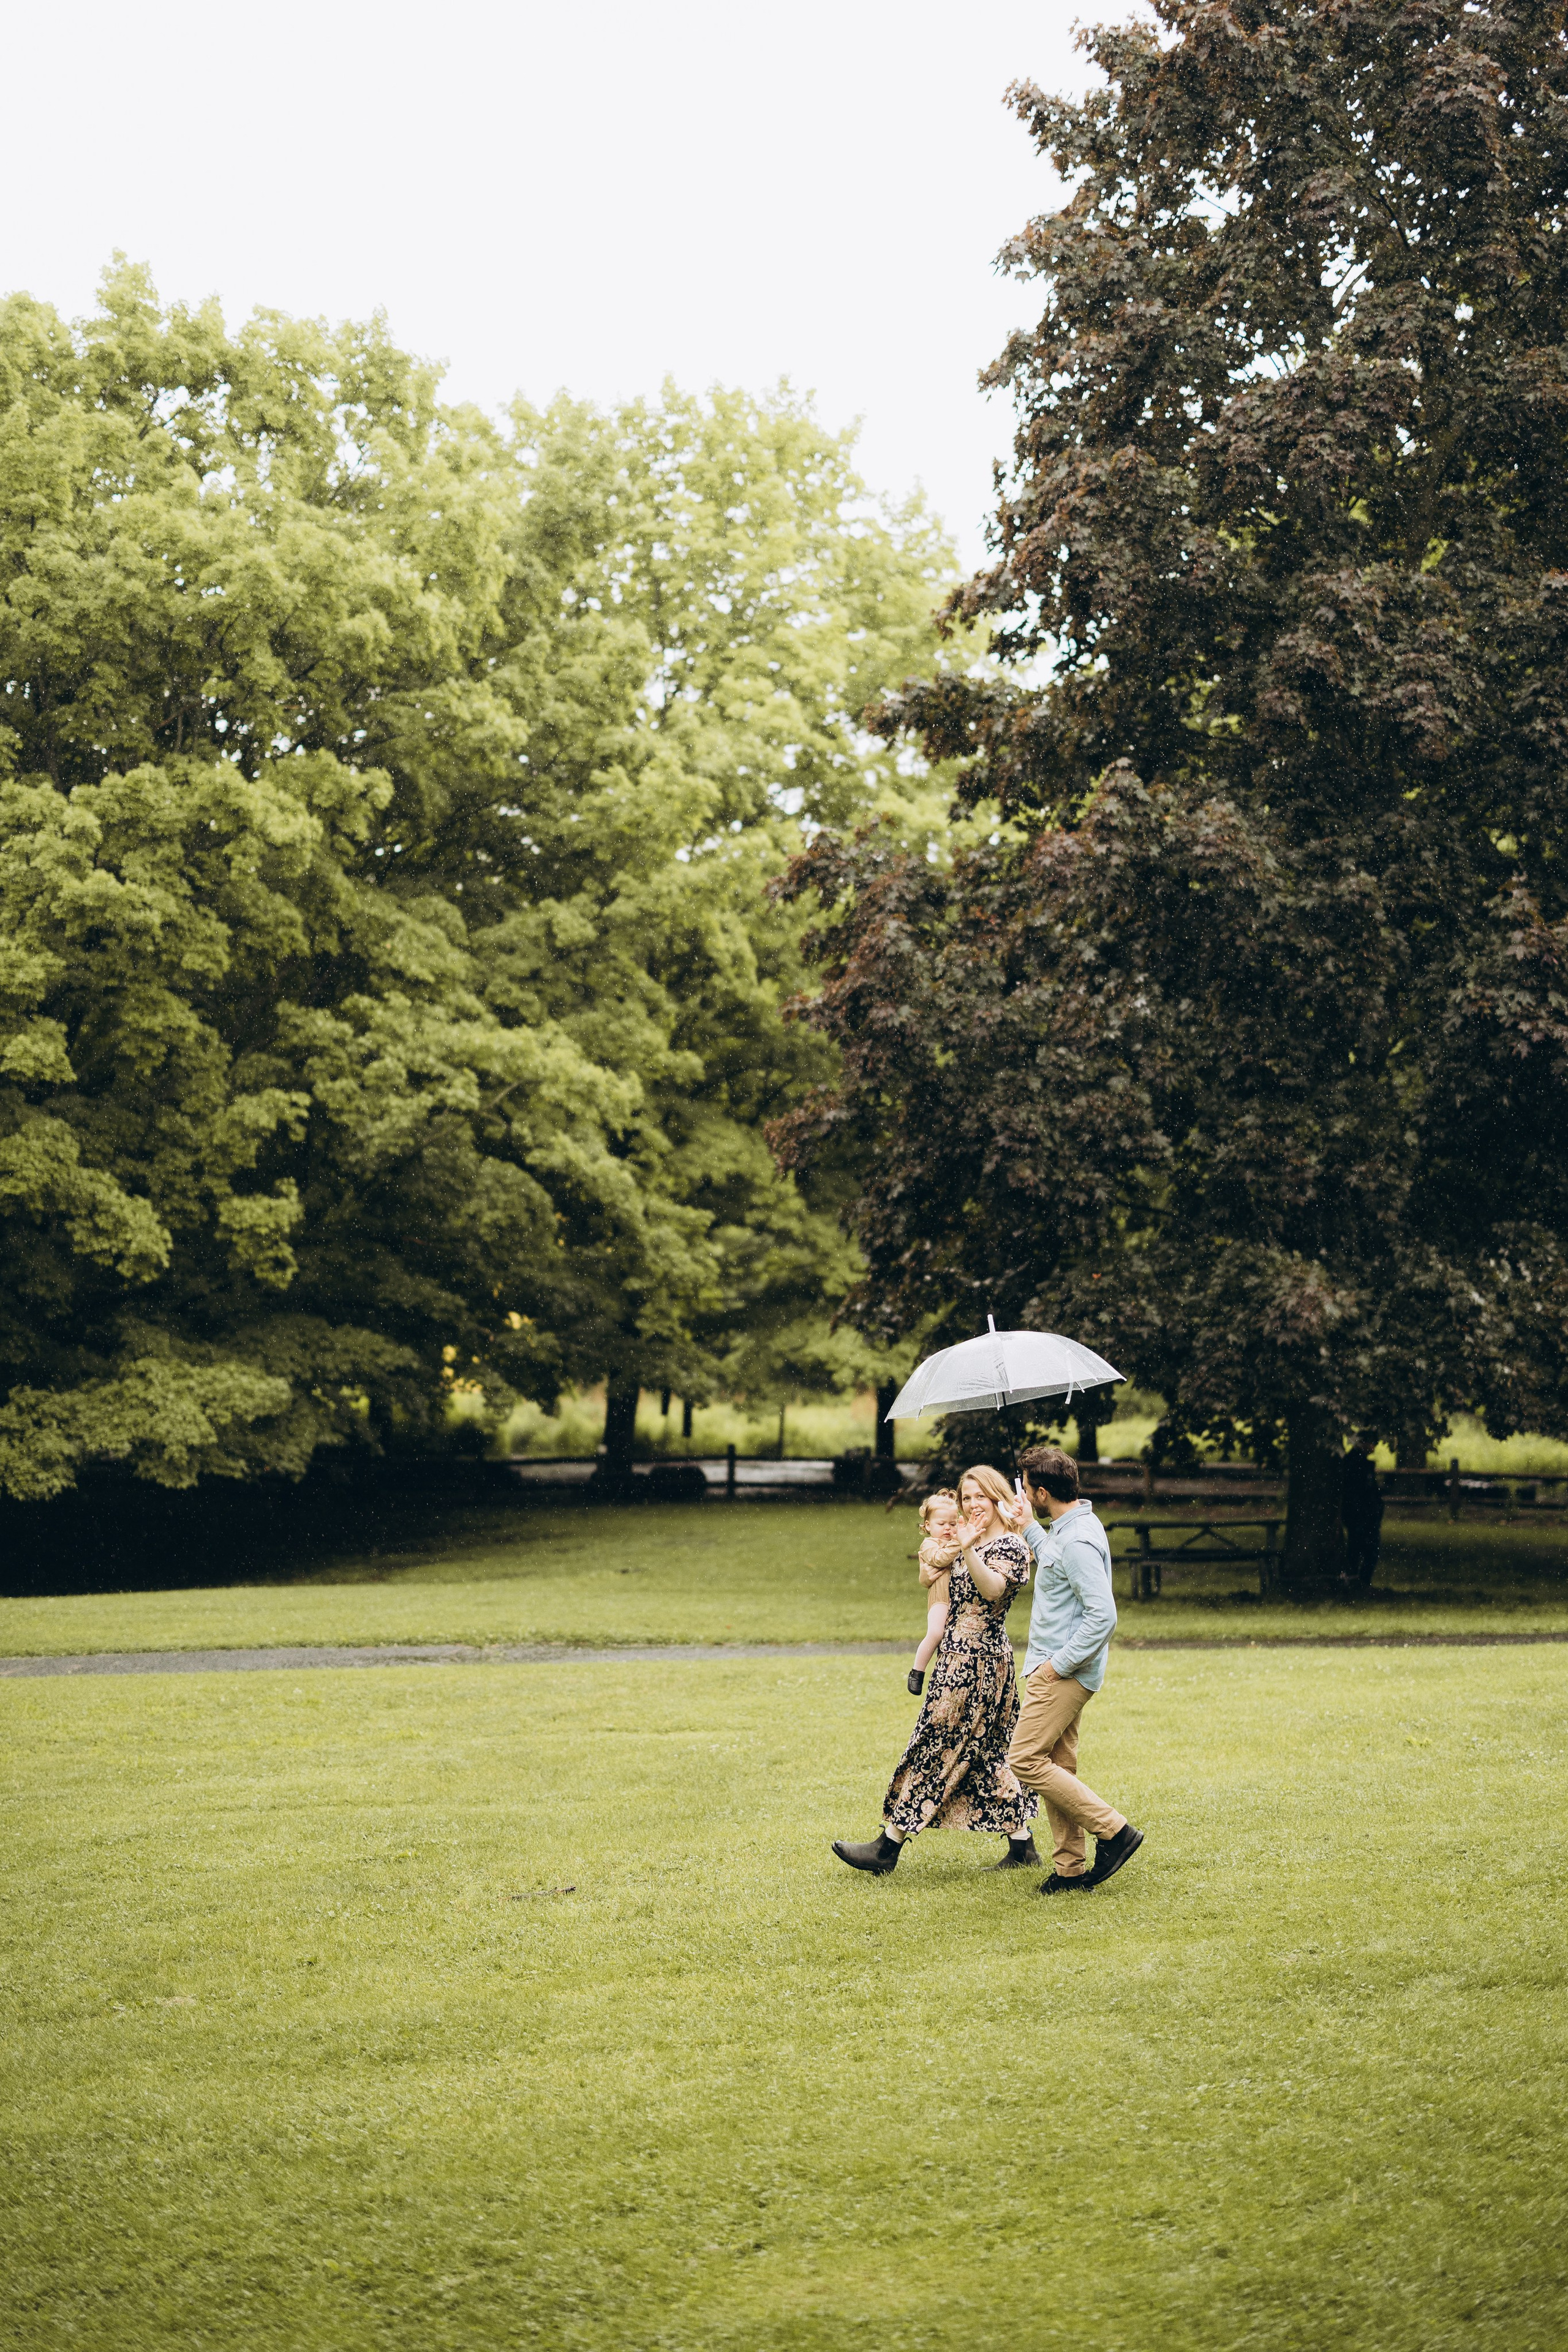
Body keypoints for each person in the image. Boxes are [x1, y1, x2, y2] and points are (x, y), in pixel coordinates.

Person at [832, 1464, 1041, 1875]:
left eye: (980, 1496)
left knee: (934, 1743)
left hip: (978, 1663)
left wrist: (967, 1550)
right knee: (983, 1753)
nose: (972, 1504)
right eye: (966, 1498)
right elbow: (933, 1575)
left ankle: (887, 1847)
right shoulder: (969, 1538)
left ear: (998, 1496)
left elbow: (993, 1589)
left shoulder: (1011, 1546)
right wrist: (941, 1560)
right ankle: (1023, 1845)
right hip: (955, 1655)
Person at [1007, 1445, 1143, 1894]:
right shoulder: (1070, 1528)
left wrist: (1056, 1667)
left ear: (1043, 1492)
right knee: (1057, 1764)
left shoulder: (1079, 1538)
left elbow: (1102, 1616)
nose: (1025, 1494)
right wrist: (1027, 1526)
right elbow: (1056, 1559)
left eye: (1027, 1489)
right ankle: (1070, 1869)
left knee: (1024, 1759)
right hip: (1058, 1668)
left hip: (1062, 1672)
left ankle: (1115, 1831)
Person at [907, 1490, 959, 1695]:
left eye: (953, 1524)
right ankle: (917, 1671)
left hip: (958, 1601)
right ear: (928, 1526)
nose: (948, 1528)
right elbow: (939, 1559)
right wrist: (960, 1542)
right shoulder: (930, 1544)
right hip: (941, 1600)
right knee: (936, 1632)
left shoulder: (958, 1544)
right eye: (941, 1524)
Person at [1341, 1431, 1384, 1590]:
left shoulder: (1357, 1463)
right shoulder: (1355, 1464)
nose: (1374, 1447)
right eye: (1371, 1443)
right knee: (1363, 1550)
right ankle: (1359, 1581)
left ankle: (1359, 1581)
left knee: (1362, 1550)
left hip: (1364, 1515)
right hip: (1361, 1515)